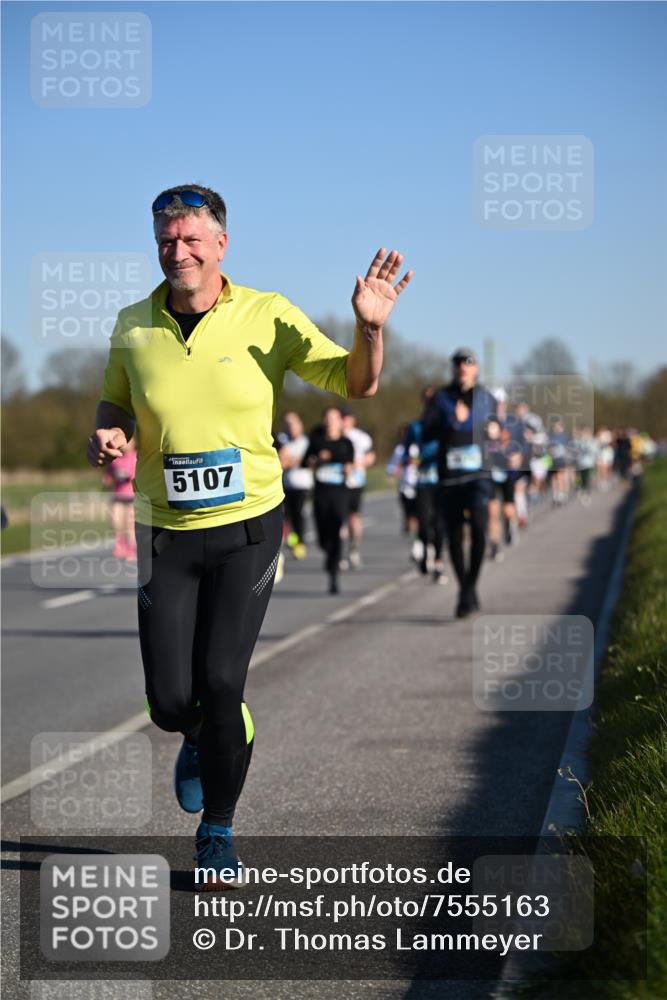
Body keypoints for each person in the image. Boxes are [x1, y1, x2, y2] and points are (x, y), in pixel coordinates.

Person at [86, 183, 412, 887]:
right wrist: (108, 432)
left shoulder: (267, 315)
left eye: (192, 240)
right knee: (172, 701)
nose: (179, 252)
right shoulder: (131, 323)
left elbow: (354, 384)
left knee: (222, 680)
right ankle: (200, 737)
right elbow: (115, 399)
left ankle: (218, 832)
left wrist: (371, 329)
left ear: (221, 245)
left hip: (248, 529)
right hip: (165, 532)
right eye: (167, 241)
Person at [422, 348, 496, 618]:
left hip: (478, 476)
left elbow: (496, 427)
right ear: (453, 368)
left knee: (479, 529)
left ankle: (469, 586)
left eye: (469, 364)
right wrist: (451, 423)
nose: (463, 368)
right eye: (458, 364)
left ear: (476, 369)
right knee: (454, 536)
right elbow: (426, 431)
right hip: (450, 478)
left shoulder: (486, 398)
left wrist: (495, 432)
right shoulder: (440, 398)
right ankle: (465, 589)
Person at [305, 407, 355, 593]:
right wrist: (316, 460)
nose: (330, 422)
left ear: (340, 422)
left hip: (340, 492)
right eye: (327, 418)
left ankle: (334, 575)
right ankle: (329, 554)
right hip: (320, 493)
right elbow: (305, 462)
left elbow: (350, 463)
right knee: (323, 537)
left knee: (336, 529)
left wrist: (346, 467)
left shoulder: (346, 443)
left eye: (333, 418)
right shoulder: (316, 441)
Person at [404, 388, 447, 583]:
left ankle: (438, 562)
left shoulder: (446, 426)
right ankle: (423, 550)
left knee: (439, 524)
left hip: (442, 481)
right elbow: (406, 452)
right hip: (422, 480)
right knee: (422, 522)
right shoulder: (415, 427)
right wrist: (412, 459)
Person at [341, 408, 375, 570]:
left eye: (346, 418)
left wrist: (358, 464)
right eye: (341, 418)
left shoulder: (361, 437)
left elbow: (370, 457)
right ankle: (339, 553)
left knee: (353, 517)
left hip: (356, 481)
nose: (344, 421)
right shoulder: (333, 435)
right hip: (337, 483)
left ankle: (354, 549)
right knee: (339, 520)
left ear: (352, 420)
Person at [277, 411, 312, 560]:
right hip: (285, 485)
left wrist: (290, 461)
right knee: (284, 518)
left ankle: (301, 543)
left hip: (301, 486)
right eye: (287, 424)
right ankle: (293, 541)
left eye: (293, 423)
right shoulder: (282, 440)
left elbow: (307, 461)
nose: (290, 427)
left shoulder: (306, 442)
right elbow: (280, 461)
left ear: (300, 425)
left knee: (298, 515)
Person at [101, 437, 138, 560]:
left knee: (129, 524)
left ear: (133, 443)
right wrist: (107, 480)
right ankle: (120, 545)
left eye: (129, 442)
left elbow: (140, 474)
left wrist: (130, 476)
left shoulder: (137, 457)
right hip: (118, 495)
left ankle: (130, 549)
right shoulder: (115, 459)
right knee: (116, 521)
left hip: (132, 496)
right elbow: (108, 476)